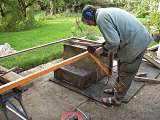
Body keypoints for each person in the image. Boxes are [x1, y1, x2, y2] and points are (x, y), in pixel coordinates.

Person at [82, 5, 153, 106]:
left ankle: (117, 99)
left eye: (88, 23)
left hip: (136, 43)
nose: (90, 25)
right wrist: (103, 45)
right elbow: (114, 36)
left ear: (89, 16)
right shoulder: (104, 12)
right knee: (121, 66)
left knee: (126, 71)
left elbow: (114, 42)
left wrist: (102, 49)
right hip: (135, 39)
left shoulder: (101, 18)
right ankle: (116, 89)